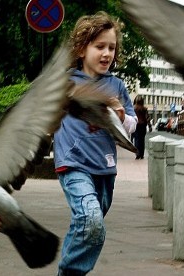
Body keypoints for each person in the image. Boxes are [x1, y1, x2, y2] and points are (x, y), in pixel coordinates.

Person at [53, 11, 137, 276]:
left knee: (85, 226)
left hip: (105, 168)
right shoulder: (64, 82)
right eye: (99, 46)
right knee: (91, 223)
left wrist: (121, 115)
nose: (107, 53)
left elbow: (132, 125)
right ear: (81, 48)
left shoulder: (117, 85)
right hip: (73, 164)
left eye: (111, 47)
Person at [132, 95, 151, 159]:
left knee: (136, 140)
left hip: (136, 125)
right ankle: (142, 154)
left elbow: (131, 117)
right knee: (142, 140)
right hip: (142, 125)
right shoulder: (144, 109)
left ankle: (137, 154)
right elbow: (147, 118)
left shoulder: (133, 108)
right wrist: (149, 125)